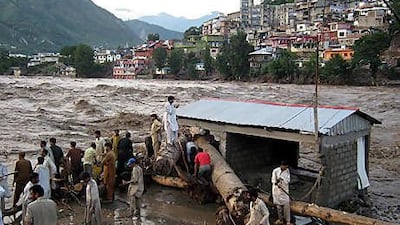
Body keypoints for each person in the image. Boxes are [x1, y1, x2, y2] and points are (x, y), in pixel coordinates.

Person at [271, 161, 291, 225]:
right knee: (278, 206)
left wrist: (282, 180)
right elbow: (273, 180)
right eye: (282, 165)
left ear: (286, 166)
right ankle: (281, 219)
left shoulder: (287, 171)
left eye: (285, 166)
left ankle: (288, 221)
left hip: (284, 191)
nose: (283, 167)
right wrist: (277, 183)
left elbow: (288, 180)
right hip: (276, 191)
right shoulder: (275, 171)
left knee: (286, 205)